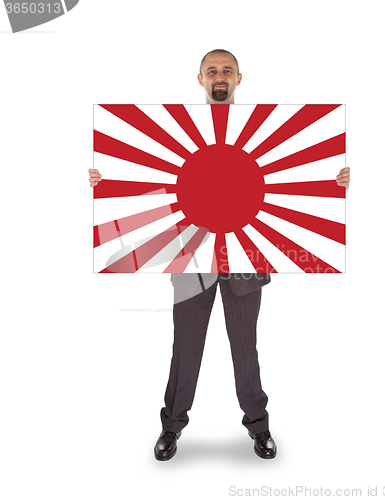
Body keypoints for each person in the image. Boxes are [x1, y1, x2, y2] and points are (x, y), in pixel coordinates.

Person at [89, 49, 351, 461]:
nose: (219, 76)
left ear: (239, 78)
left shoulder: (260, 137)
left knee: (245, 348)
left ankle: (258, 427)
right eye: (212, 71)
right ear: (201, 80)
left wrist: (333, 180)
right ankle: (171, 427)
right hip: (192, 260)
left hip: (244, 264)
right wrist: (107, 180)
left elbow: (290, 178)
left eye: (226, 70)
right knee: (186, 348)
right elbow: (148, 182)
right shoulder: (179, 139)